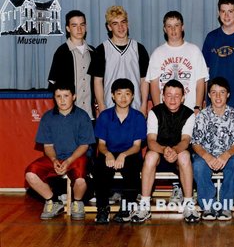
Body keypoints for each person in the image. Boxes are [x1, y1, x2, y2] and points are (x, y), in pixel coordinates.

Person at [146, 10, 209, 203]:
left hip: (188, 113)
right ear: (164, 29)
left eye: (177, 25)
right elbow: (154, 83)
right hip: (167, 112)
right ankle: (171, 191)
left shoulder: (193, 50)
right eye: (169, 26)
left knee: (185, 152)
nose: (173, 30)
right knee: (165, 150)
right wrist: (160, 110)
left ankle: (188, 193)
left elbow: (200, 81)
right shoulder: (158, 53)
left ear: (183, 27)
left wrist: (197, 106)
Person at [131, 79, 200, 224]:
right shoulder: (154, 112)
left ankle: (188, 204)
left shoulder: (189, 114)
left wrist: (174, 151)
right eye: (169, 95)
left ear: (182, 98)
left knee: (185, 156)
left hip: (178, 155)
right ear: (162, 97)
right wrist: (164, 150)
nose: (172, 99)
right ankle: (144, 205)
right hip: (159, 154)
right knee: (149, 156)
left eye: (176, 96)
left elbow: (185, 141)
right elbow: (151, 141)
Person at [25, 82, 95, 220]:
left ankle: (77, 202)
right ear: (54, 97)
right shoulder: (47, 117)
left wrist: (69, 161)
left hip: (76, 158)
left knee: (80, 179)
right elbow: (48, 146)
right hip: (56, 159)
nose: (62, 100)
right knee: (30, 173)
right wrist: (54, 160)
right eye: (58, 96)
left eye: (66, 96)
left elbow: (84, 146)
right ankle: (53, 201)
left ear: (74, 96)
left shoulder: (82, 116)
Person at [93, 78, 147, 224]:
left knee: (132, 168)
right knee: (100, 168)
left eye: (127, 94)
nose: (123, 98)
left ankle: (126, 207)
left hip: (129, 153)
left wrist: (123, 155)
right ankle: (102, 208)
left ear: (133, 96)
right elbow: (101, 144)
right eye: (119, 94)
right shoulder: (104, 116)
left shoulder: (138, 117)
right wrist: (108, 154)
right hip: (109, 152)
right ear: (112, 95)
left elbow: (137, 146)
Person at [192, 77, 234, 221]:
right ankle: (208, 206)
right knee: (198, 165)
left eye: (222, 92)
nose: (218, 96)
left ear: (228, 94)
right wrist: (207, 157)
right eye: (214, 92)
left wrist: (225, 156)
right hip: (206, 155)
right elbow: (195, 143)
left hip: (228, 156)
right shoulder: (202, 116)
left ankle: (225, 205)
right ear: (208, 95)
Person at [89, 5, 150, 116]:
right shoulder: (101, 50)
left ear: (128, 24)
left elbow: (144, 80)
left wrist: (144, 105)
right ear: (109, 27)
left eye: (123, 22)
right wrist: (101, 106)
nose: (120, 27)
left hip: (134, 108)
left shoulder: (139, 48)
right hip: (110, 108)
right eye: (115, 24)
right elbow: (97, 81)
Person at [48, 10, 98, 120]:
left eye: (82, 25)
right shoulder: (61, 52)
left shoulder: (94, 52)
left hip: (90, 116)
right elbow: (53, 85)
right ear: (68, 28)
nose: (79, 29)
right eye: (74, 25)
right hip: (68, 117)